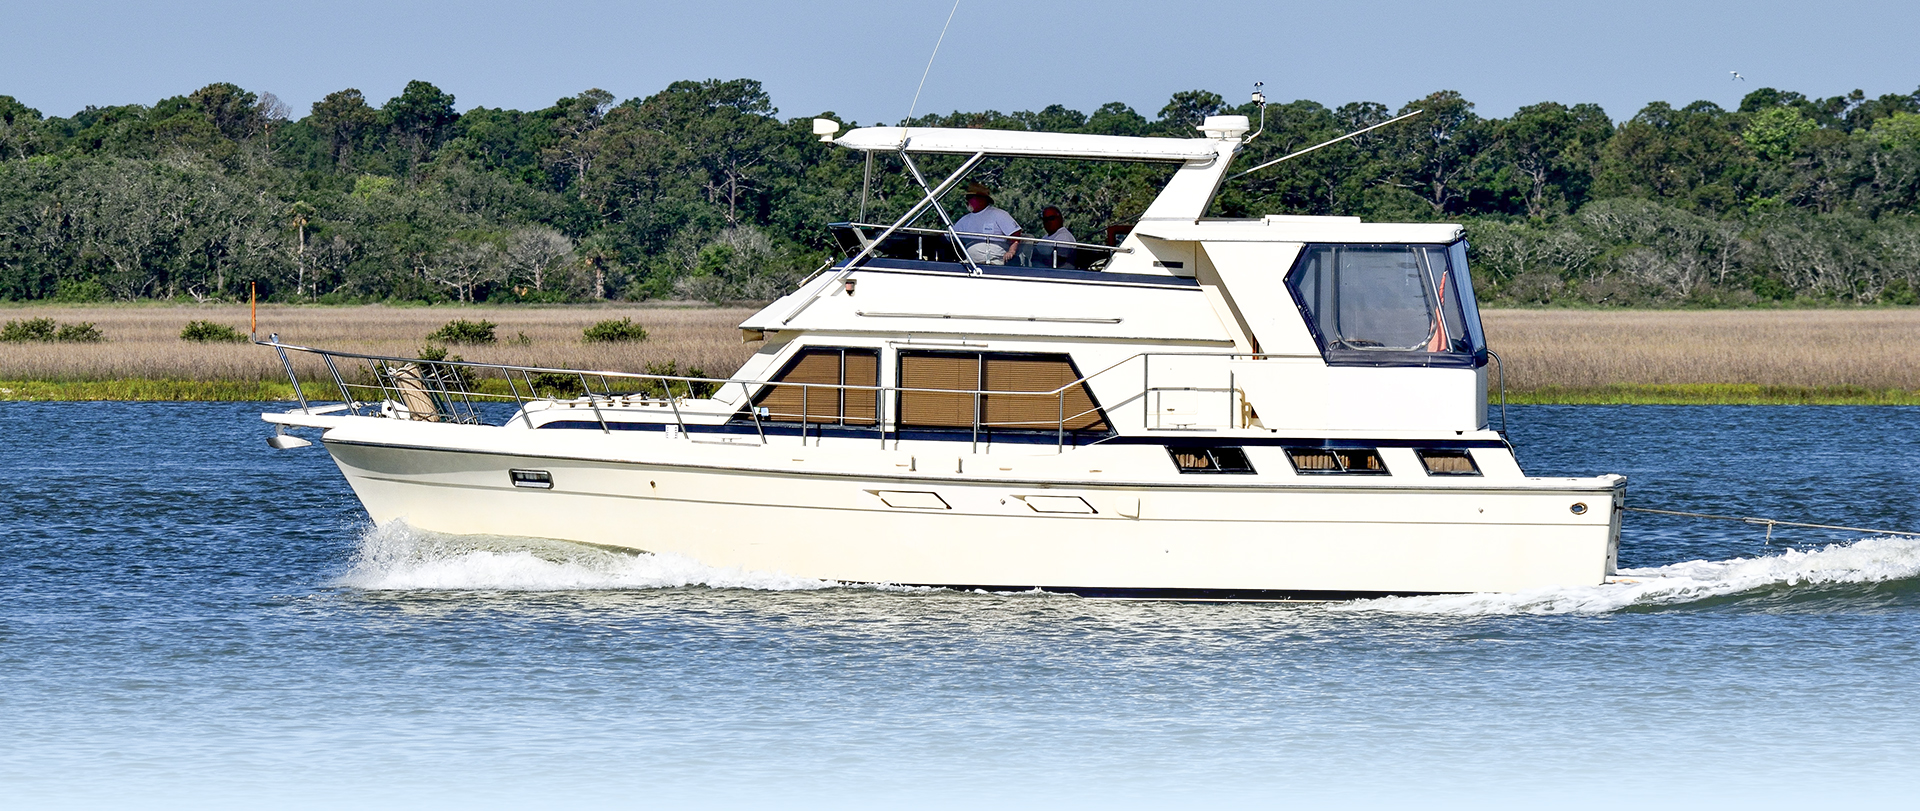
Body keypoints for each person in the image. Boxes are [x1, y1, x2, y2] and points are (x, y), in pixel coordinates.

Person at [952, 183, 1022, 265]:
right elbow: (950, 236)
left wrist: (1011, 251)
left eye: (970, 197)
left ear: (982, 199)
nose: (967, 201)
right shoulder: (964, 219)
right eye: (967, 198)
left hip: (993, 264)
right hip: (970, 264)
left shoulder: (999, 215)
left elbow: (1015, 234)